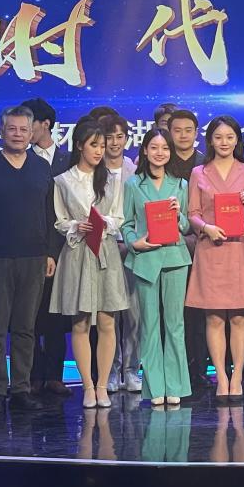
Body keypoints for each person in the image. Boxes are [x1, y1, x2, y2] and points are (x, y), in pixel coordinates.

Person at [0, 105, 56, 413]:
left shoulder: (41, 168)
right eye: (12, 129)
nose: (17, 134)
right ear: (2, 131)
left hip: (33, 258)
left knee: (25, 328)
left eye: (23, 129)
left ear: (32, 133)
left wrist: (50, 253)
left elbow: (49, 213)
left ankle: (20, 389)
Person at [185, 116, 244, 402]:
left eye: (230, 137)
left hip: (240, 249)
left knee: (240, 317)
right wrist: (206, 227)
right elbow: (192, 213)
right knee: (215, 318)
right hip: (211, 248)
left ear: (237, 140)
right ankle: (221, 377)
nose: (224, 142)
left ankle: (237, 376)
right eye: (218, 137)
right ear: (210, 140)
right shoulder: (199, 172)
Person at [49, 122, 128, 409]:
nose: (99, 151)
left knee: (107, 321)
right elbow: (59, 220)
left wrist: (103, 223)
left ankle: (103, 385)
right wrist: (75, 225)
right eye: (94, 145)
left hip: (105, 252)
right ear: (80, 145)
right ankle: (87, 387)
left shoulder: (112, 180)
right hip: (77, 253)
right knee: (80, 322)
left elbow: (119, 217)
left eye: (102, 146)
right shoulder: (62, 180)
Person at [122, 127, 193, 405]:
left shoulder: (181, 184)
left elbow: (186, 225)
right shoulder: (133, 184)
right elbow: (126, 223)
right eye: (154, 147)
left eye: (164, 148)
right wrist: (134, 242)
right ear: (145, 150)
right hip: (146, 259)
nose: (159, 153)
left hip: (175, 258)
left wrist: (178, 216)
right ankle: (154, 388)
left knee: (175, 324)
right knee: (149, 325)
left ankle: (175, 385)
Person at [22, 97, 72, 398]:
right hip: (29, 247)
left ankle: (55, 375)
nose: (24, 130)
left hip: (65, 247)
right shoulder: (19, 160)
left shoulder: (69, 160)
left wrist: (55, 250)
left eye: (30, 124)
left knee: (56, 315)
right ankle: (33, 374)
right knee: (29, 315)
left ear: (45, 124)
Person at [166, 109, 209, 389]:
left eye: (188, 130)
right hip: (169, 248)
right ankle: (174, 370)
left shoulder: (206, 165)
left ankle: (199, 369)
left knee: (200, 312)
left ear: (196, 133)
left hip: (204, 247)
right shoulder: (161, 162)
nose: (183, 135)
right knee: (173, 313)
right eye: (177, 130)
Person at [101, 114, 141, 393]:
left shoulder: (135, 171)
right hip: (104, 248)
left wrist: (132, 240)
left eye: (119, 137)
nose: (114, 143)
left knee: (135, 315)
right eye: (109, 137)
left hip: (133, 249)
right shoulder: (93, 171)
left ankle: (132, 369)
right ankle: (112, 371)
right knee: (109, 315)